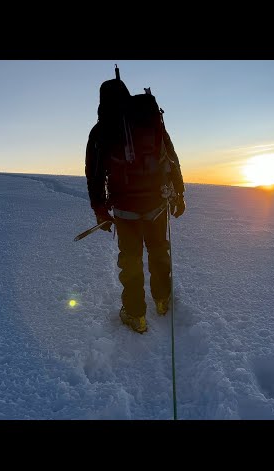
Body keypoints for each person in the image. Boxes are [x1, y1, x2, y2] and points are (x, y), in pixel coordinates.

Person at [85, 70, 186, 334]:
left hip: (125, 208)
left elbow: (94, 174)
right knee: (158, 250)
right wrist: (179, 193)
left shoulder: (101, 129)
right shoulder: (151, 119)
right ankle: (162, 301)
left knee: (130, 259)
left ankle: (135, 314)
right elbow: (171, 156)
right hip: (156, 202)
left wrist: (100, 210)